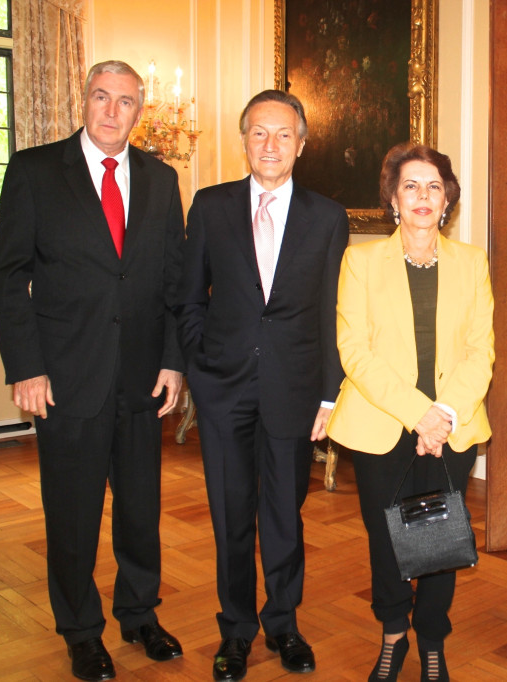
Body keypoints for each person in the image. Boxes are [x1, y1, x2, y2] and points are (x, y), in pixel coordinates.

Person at [0, 60, 185, 681]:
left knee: (139, 509)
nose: (111, 110)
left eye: (124, 101)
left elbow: (175, 283)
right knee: (72, 513)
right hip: (66, 377)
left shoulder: (162, 180)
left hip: (140, 380)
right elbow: (8, 276)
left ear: (139, 110)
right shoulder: (35, 171)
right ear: (84, 100)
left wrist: (173, 361)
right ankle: (80, 628)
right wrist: (25, 366)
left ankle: (139, 612)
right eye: (101, 96)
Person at [175, 89, 348, 681]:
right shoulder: (210, 206)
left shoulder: (328, 218)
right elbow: (189, 296)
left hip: (294, 392)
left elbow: (332, 313)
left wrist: (330, 393)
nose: (269, 145)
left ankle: (283, 624)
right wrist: (199, 362)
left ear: (301, 144)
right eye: (258, 133)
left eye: (282, 135)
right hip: (223, 390)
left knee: (283, 514)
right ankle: (236, 631)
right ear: (243, 140)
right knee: (230, 515)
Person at [327, 143, 495, 682]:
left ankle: (432, 641)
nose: (423, 196)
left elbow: (480, 349)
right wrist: (417, 414)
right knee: (388, 539)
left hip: (452, 425)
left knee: (439, 539)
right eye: (411, 186)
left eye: (433, 187)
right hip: (384, 423)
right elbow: (354, 350)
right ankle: (393, 634)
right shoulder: (361, 261)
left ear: (446, 200)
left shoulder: (472, 262)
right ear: (393, 199)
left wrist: (442, 415)